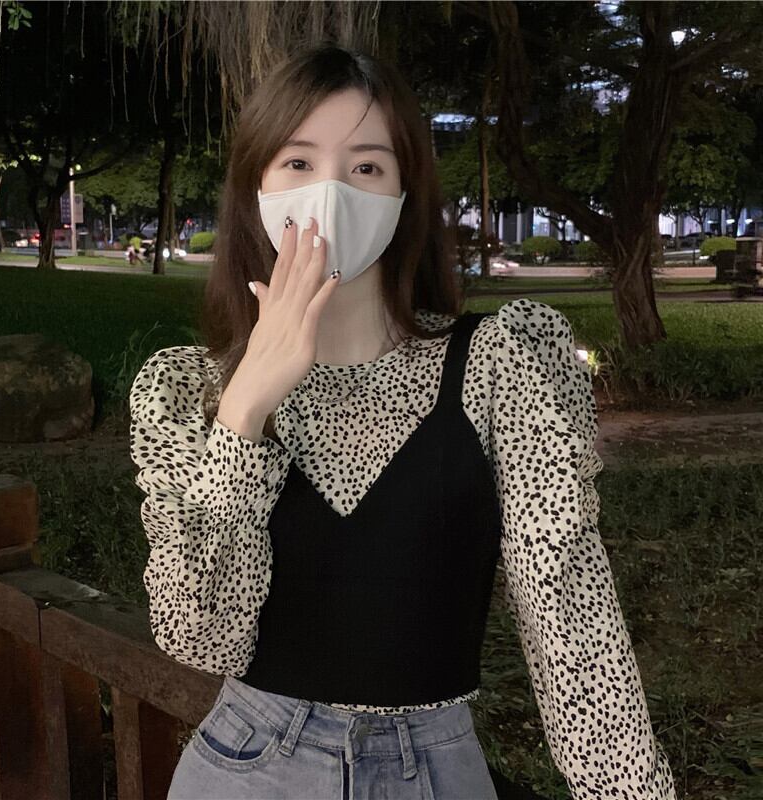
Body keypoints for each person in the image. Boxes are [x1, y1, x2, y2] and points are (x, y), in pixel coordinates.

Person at [129, 43, 677, 800]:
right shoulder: (189, 390)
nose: (330, 193)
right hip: (248, 763)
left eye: (366, 167)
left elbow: (569, 607)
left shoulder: (498, 363)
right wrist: (245, 409)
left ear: (403, 190)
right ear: (255, 185)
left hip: (435, 765)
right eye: (298, 163)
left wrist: (627, 787)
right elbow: (200, 635)